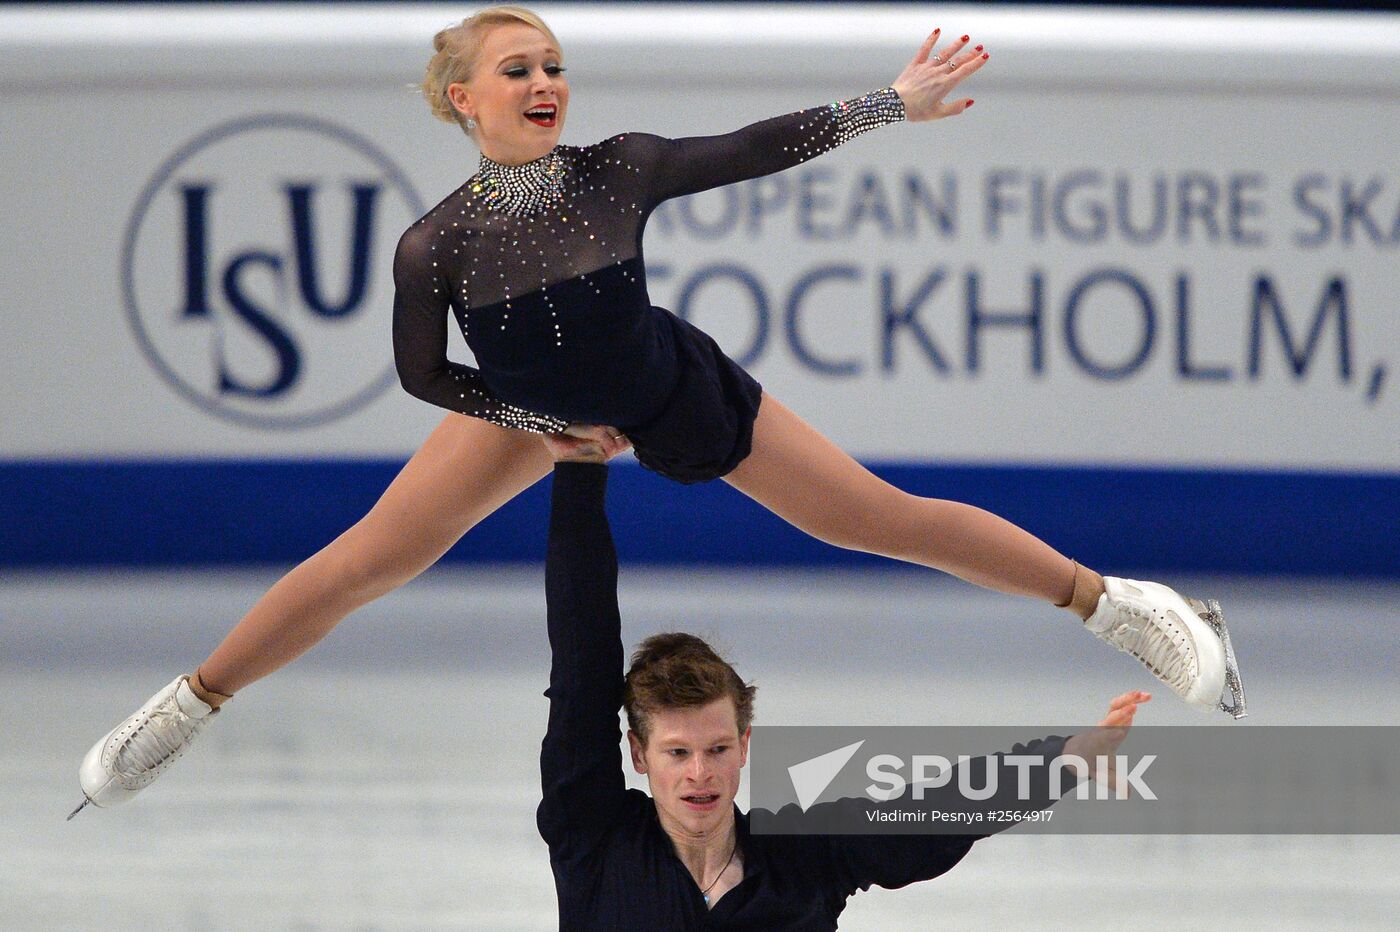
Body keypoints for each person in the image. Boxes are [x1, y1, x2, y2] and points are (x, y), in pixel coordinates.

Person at [72, 6, 1239, 817]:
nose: (543, 83)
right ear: (458, 99)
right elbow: (426, 375)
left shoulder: (613, 169)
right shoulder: (434, 243)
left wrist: (886, 102)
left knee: (875, 518)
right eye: (517, 69)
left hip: (665, 384)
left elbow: (747, 147)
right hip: (526, 411)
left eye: (553, 65)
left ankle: (1124, 606)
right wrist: (531, 424)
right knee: (364, 560)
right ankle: (186, 705)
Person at [537, 427, 1148, 926]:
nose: (700, 773)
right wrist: (580, 473)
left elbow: (933, 813)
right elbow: (581, 656)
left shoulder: (802, 857)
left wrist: (1065, 759)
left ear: (745, 746)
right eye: (678, 752)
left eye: (717, 748)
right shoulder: (592, 835)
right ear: (639, 755)